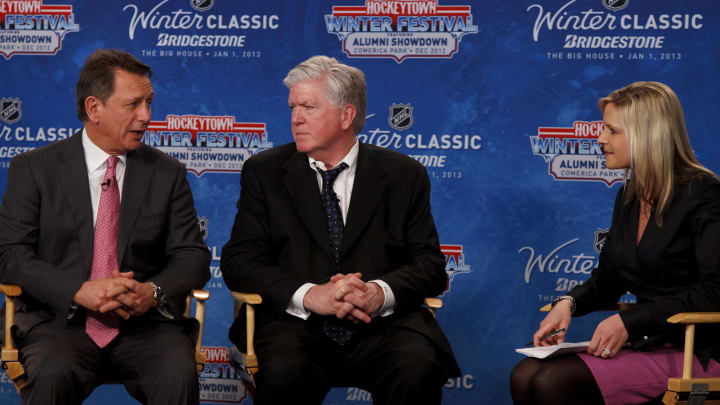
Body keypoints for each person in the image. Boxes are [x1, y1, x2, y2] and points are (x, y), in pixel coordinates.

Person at [221, 55, 460, 404]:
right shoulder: (265, 172)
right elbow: (239, 261)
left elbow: (430, 265)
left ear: (347, 115)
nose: (295, 119)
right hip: (294, 326)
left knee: (416, 367)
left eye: (308, 107)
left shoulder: (403, 175)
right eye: (292, 108)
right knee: (285, 371)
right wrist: (309, 295)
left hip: (384, 327)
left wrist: (379, 292)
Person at [0, 49, 210, 405]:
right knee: (52, 374)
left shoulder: (167, 173)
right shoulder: (34, 168)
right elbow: (10, 255)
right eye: (133, 104)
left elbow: (192, 256)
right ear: (94, 109)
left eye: (149, 103)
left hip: (146, 328)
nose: (146, 116)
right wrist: (79, 290)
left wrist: (152, 291)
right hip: (60, 325)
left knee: (177, 373)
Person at [510, 81, 720, 405]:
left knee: (551, 382)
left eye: (612, 130)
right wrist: (568, 302)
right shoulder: (629, 196)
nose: (600, 139)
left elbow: (715, 290)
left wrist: (630, 321)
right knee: (525, 375)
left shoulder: (704, 194)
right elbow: (609, 278)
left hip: (699, 351)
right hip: (650, 343)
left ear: (647, 134)